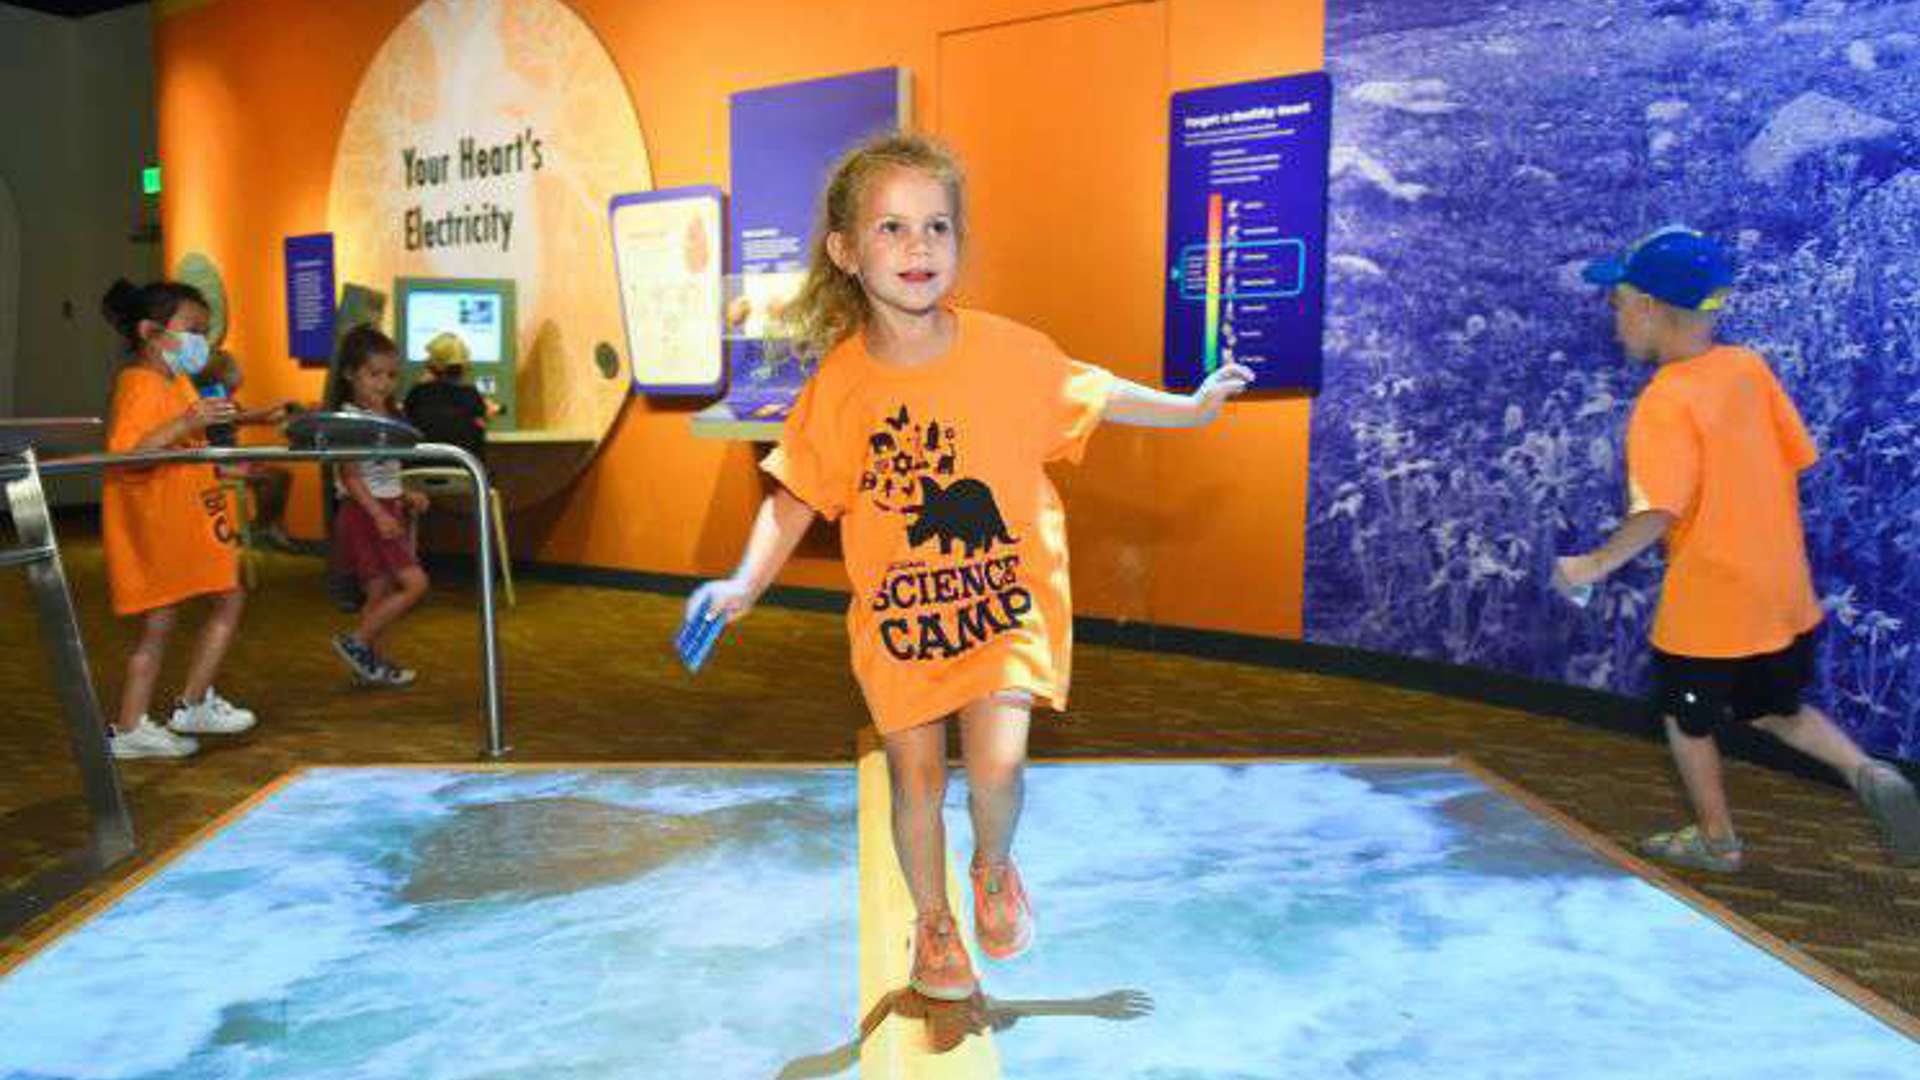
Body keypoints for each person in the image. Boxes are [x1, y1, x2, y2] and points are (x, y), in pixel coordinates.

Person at [687, 133, 1253, 1000]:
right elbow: (792, 496)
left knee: (997, 769)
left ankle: (993, 868)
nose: (918, 245)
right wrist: (743, 582)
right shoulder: (840, 386)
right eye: (891, 227)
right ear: (845, 251)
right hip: (902, 625)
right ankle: (936, 926)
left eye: (937, 226)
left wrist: (1191, 407)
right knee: (916, 782)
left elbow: (1096, 390)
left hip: (1004, 608)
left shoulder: (1007, 352)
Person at [1555, 226, 1919, 871]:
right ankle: (1867, 771)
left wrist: (1593, 564)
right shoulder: (1748, 368)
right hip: (1779, 593)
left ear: (1648, 308)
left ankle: (1717, 839)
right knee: (1774, 709)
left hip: (1711, 605)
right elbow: (1797, 454)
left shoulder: (1664, 401)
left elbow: (1658, 509)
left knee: (1685, 719)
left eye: (1618, 304)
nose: (1615, 319)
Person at [98, 278, 258, 759]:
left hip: (189, 517)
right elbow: (129, 455)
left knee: (222, 597)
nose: (201, 343)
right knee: (164, 619)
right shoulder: (138, 384)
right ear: (151, 332)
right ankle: (137, 724)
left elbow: (185, 446)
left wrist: (220, 461)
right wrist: (188, 422)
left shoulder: (175, 382)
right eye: (193, 330)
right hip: (160, 524)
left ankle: (187, 704)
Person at [326, 326, 430, 688]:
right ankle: (356, 642)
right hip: (366, 512)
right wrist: (379, 514)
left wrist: (403, 494)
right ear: (350, 374)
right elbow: (351, 475)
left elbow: (384, 469)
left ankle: (369, 662)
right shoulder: (349, 419)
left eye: (391, 375)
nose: (384, 383)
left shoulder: (388, 414)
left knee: (380, 591)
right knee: (415, 584)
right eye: (374, 374)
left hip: (383, 507)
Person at [193, 347, 295, 548]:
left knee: (281, 475)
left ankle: (268, 526)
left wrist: (285, 415)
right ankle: (264, 529)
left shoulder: (227, 402)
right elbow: (245, 417)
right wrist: (278, 405)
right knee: (270, 478)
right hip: (215, 466)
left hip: (231, 461)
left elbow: (257, 419)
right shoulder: (209, 401)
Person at [402, 331, 497, 461]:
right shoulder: (471, 395)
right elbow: (476, 433)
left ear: (432, 364)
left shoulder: (418, 393)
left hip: (420, 468)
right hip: (463, 469)